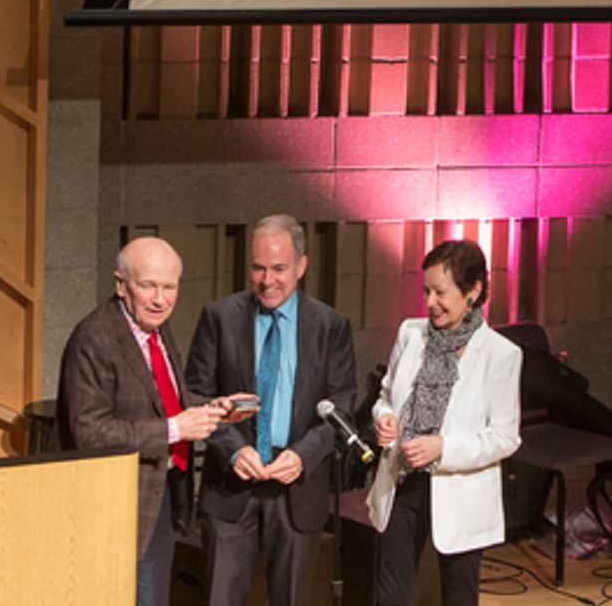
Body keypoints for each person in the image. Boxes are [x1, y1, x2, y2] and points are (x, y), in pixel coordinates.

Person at [56, 236, 251, 606]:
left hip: (156, 496)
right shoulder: (94, 338)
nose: (160, 299)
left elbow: (165, 399)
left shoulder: (155, 328)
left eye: (169, 287)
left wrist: (214, 408)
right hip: (111, 504)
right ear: (120, 285)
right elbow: (90, 433)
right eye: (148, 286)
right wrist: (176, 429)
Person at [184, 214, 358, 606]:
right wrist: (233, 449)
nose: (267, 280)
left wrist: (303, 455)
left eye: (278, 269)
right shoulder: (219, 317)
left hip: (297, 488)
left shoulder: (331, 326)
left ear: (301, 266)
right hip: (230, 487)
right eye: (258, 268)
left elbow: (342, 409)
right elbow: (196, 396)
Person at [366, 239, 523, 606]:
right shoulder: (410, 333)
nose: (430, 302)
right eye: (426, 291)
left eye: (440, 292)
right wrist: (384, 418)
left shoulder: (501, 354)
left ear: (473, 291)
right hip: (402, 481)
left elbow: (505, 437)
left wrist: (443, 448)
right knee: (391, 593)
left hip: (459, 492)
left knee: (458, 595)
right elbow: (386, 396)